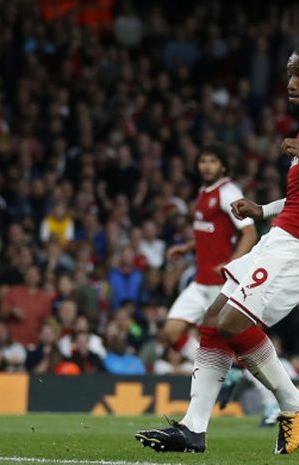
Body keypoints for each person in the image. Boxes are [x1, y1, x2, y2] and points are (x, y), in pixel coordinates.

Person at [136, 50, 299, 455]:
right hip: (279, 237)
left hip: (295, 248)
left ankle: (294, 406)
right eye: (291, 74)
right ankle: (194, 429)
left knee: (231, 322)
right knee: (214, 321)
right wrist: (262, 210)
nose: (292, 83)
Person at [162, 144, 257, 363]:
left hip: (221, 285)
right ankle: (218, 369)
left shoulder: (228, 192)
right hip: (201, 281)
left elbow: (250, 233)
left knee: (235, 344)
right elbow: (209, 232)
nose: (207, 166)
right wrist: (187, 247)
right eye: (203, 161)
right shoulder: (204, 193)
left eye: (213, 161)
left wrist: (232, 264)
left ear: (223, 167)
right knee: (171, 331)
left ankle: (265, 390)